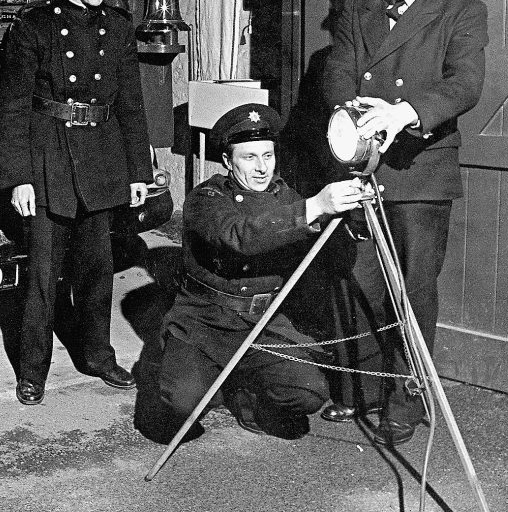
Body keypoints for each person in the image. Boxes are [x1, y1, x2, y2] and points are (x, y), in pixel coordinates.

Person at [320, 0, 488, 446]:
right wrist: (354, 111)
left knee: (412, 290)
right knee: (361, 280)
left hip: (420, 171)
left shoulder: (461, 12)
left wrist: (403, 111)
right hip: (364, 164)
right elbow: (337, 71)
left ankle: (406, 396)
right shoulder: (358, 11)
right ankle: (365, 386)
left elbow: (465, 85)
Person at [0, 0, 152, 406]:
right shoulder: (34, 26)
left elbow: (130, 106)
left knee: (98, 272)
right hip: (49, 162)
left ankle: (99, 356)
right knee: (43, 277)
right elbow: (11, 107)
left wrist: (138, 172)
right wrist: (18, 177)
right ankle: (32, 371)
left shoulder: (118, 27)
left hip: (102, 159)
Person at [157, 103, 368, 440]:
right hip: (205, 322)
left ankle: (246, 394)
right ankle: (198, 373)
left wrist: (350, 216)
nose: (261, 168)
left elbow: (324, 255)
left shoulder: (286, 197)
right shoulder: (206, 198)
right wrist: (315, 207)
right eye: (249, 157)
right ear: (227, 161)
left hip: (261, 325)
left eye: (267, 156)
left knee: (309, 393)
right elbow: (238, 235)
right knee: (180, 407)